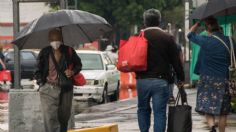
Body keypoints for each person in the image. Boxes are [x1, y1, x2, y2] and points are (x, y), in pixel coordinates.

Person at [135, 9, 185, 132]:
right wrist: (181, 79)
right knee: (160, 112)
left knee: (142, 109)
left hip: (142, 81)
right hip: (161, 81)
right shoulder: (167, 37)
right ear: (159, 21)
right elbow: (176, 62)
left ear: (144, 22)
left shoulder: (138, 37)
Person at [188, 17, 231, 132]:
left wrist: (197, 24)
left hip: (207, 79)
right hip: (223, 79)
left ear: (207, 29)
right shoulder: (229, 41)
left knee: (207, 106)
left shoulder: (205, 40)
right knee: (223, 111)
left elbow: (190, 35)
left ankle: (212, 126)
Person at [35, 28, 82, 132]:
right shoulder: (45, 52)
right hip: (48, 89)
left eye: (57, 39)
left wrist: (72, 71)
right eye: (52, 39)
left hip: (66, 89)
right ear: (49, 39)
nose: (55, 41)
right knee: (49, 118)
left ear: (61, 39)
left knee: (64, 117)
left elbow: (79, 65)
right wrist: (41, 83)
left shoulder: (69, 51)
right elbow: (37, 70)